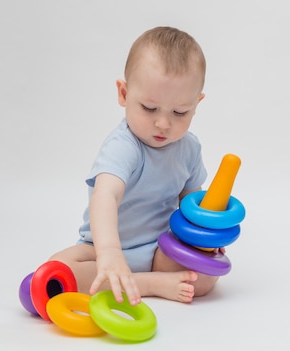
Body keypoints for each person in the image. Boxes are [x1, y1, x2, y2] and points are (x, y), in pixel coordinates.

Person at [49, 26, 221, 305]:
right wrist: (110, 252)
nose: (163, 123)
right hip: (101, 251)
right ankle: (147, 284)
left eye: (180, 112)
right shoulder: (123, 146)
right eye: (149, 108)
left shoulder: (189, 148)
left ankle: (143, 278)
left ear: (196, 103)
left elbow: (192, 201)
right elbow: (106, 195)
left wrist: (203, 240)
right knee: (58, 270)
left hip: (159, 251)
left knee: (204, 278)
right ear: (124, 93)